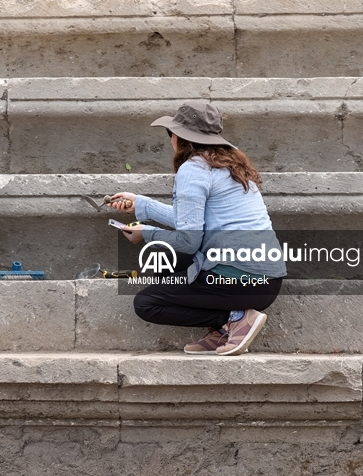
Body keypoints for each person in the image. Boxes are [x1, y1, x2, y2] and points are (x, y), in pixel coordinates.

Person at [109, 101, 286, 356]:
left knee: (146, 303)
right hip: (266, 282)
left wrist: (146, 234)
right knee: (163, 263)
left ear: (179, 137)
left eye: (170, 133)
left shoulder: (193, 169)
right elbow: (192, 221)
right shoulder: (230, 166)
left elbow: (189, 241)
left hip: (239, 281)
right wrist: (141, 205)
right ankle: (221, 329)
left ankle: (235, 318)